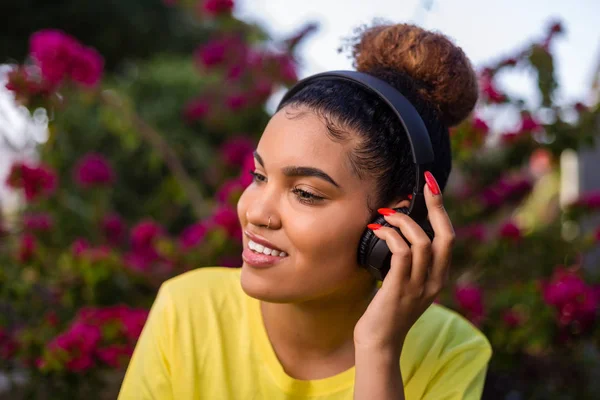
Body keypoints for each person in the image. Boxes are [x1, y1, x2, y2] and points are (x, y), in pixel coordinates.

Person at [118, 22, 492, 400]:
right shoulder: (187, 311)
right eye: (258, 175)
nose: (257, 213)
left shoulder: (451, 351)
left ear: (390, 222)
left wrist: (378, 349)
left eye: (305, 193)